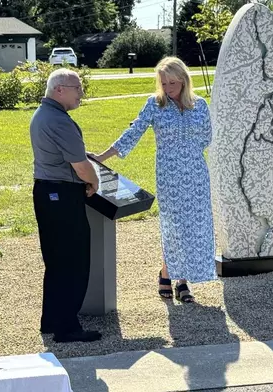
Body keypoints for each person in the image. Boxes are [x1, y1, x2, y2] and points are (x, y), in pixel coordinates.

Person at [92, 56, 216, 303]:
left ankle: (182, 281)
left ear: (183, 80)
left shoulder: (200, 105)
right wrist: (104, 156)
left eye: (173, 83)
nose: (168, 88)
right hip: (169, 174)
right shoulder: (154, 104)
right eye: (164, 83)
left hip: (196, 173)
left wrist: (187, 151)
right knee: (173, 225)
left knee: (194, 225)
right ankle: (169, 274)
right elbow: (134, 131)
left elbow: (207, 137)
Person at [30, 68, 102, 343]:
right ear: (59, 89)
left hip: (47, 192)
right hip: (61, 195)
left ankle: (51, 320)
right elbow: (81, 168)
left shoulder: (44, 114)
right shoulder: (59, 120)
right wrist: (94, 182)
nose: (81, 94)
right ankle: (67, 328)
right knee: (73, 261)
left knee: (56, 261)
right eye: (77, 88)